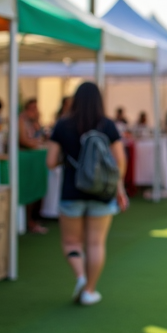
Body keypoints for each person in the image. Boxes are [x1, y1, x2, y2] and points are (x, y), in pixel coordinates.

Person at [47, 82, 128, 306]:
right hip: (102, 193)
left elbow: (51, 161)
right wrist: (119, 188)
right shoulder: (108, 125)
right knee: (96, 243)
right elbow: (119, 160)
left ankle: (80, 276)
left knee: (72, 242)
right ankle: (90, 290)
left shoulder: (63, 124)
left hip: (72, 192)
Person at [18, 98, 48, 234]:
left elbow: (41, 136)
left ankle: (34, 218)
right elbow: (23, 140)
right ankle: (28, 220)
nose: (34, 111)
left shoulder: (35, 122)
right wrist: (37, 145)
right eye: (32, 108)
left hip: (35, 159)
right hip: (25, 159)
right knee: (28, 189)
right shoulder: (21, 120)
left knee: (36, 188)